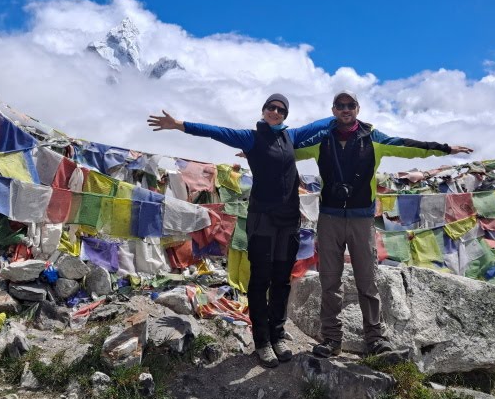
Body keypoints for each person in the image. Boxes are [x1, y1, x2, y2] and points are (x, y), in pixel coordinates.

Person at [148, 95, 327, 368]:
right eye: (271, 107)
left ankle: (278, 336)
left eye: (281, 109)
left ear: (285, 114)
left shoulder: (291, 137)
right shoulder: (251, 137)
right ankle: (263, 341)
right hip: (263, 219)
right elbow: (216, 132)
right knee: (260, 280)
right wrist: (179, 124)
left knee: (282, 280)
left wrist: (346, 117)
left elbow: (319, 126)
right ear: (263, 110)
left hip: (289, 221)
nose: (275, 112)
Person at [295, 91, 473, 358]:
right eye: (340, 106)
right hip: (329, 218)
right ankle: (331, 339)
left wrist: (444, 148)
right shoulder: (321, 140)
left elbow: (407, 146)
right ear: (333, 110)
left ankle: (375, 339)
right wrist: (257, 151)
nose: (346, 109)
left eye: (350, 105)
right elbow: (288, 152)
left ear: (358, 108)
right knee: (329, 281)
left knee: (367, 281)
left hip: (362, 220)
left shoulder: (373, 138)